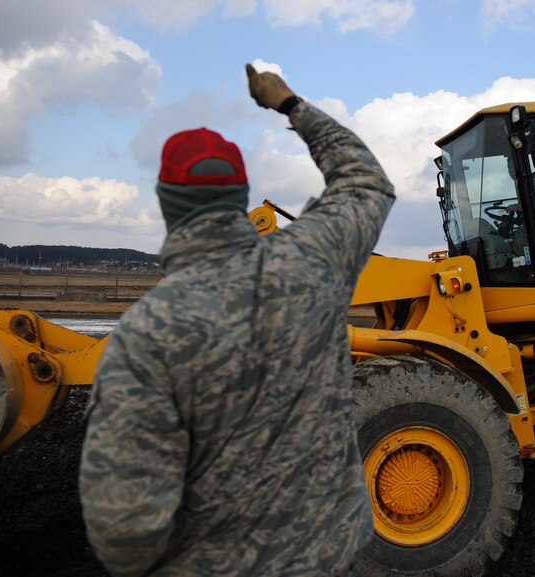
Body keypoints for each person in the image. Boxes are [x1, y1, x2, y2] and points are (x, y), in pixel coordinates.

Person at [79, 63, 395, 577]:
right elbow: (366, 184)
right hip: (331, 557)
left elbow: (125, 530)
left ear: (165, 204)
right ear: (240, 198)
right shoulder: (312, 264)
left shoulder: (146, 338)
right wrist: (290, 103)